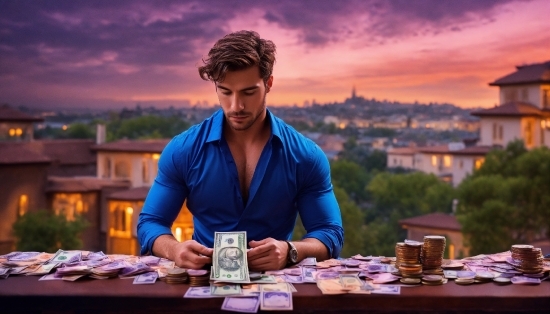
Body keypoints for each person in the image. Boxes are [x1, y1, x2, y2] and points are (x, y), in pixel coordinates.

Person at [137, 30, 343, 271]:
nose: (237, 106)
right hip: (203, 283)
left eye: (248, 92)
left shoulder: (305, 156)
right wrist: (174, 249)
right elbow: (151, 223)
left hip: (275, 290)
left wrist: (291, 251)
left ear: (268, 84)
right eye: (225, 91)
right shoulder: (184, 150)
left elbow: (329, 233)